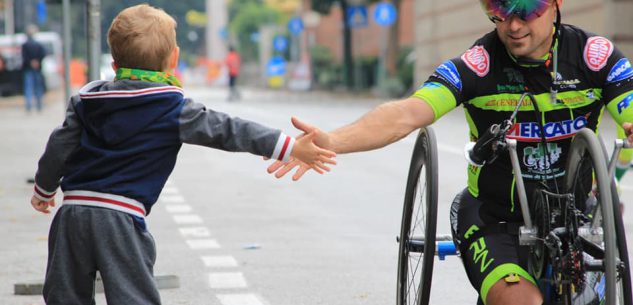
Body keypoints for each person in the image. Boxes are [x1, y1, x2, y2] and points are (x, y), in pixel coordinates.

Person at [268, 0, 633, 304]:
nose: (513, 24)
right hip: (494, 218)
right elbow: (407, 114)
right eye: (498, 9)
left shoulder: (594, 58)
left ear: (555, 5)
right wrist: (333, 141)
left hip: (575, 216)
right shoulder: (479, 64)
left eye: (526, 9)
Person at [30, 4, 336, 305]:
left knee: (64, 296)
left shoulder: (86, 100)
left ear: (114, 63)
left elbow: (59, 146)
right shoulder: (172, 109)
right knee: (132, 296)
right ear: (173, 59)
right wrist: (290, 147)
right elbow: (228, 130)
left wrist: (44, 189)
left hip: (72, 214)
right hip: (120, 218)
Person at [22, 24, 46, 112]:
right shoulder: (38, 45)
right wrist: (37, 62)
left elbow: (24, 56)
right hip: (36, 68)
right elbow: (43, 54)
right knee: (37, 88)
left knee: (29, 87)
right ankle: (39, 106)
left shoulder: (25, 45)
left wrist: (31, 62)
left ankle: (29, 106)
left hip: (28, 68)